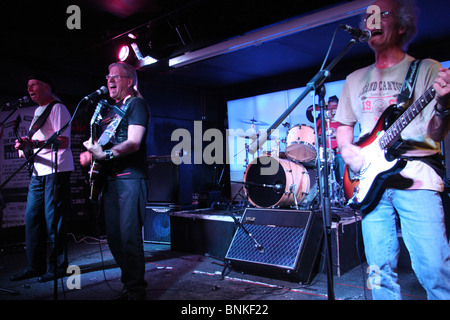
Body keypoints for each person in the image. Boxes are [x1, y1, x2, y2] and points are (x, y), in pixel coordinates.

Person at [335, 0, 450, 299]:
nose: (371, 20)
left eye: (381, 14)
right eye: (368, 15)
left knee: (434, 269)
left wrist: (444, 106)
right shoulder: (353, 79)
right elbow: (344, 127)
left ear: (401, 25)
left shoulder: (426, 69)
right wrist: (348, 151)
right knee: (378, 271)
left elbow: (436, 132)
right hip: (369, 181)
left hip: (417, 175)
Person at [81, 61, 150, 300]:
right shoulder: (109, 110)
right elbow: (104, 143)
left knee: (130, 237)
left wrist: (106, 154)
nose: (110, 80)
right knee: (114, 237)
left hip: (130, 179)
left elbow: (133, 142)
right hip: (109, 180)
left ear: (129, 81)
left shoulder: (137, 104)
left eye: (116, 76)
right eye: (108, 75)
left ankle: (136, 291)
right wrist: (91, 154)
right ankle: (128, 283)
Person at [11, 75, 74, 283]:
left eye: (33, 85)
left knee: (54, 220)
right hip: (39, 171)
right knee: (32, 218)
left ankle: (57, 267)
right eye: (27, 85)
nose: (29, 88)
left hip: (56, 170)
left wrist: (34, 143)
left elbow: (63, 141)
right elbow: (36, 143)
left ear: (47, 86)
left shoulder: (58, 108)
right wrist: (24, 147)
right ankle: (35, 266)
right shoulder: (37, 111)